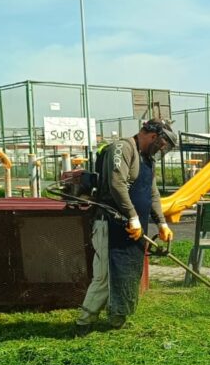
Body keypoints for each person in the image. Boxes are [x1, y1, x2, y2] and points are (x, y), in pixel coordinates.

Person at [76, 119, 178, 333]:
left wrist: (161, 222)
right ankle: (84, 322)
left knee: (126, 272)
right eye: (161, 144)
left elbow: (153, 193)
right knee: (104, 276)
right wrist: (132, 216)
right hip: (110, 223)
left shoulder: (148, 160)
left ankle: (117, 317)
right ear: (152, 136)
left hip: (133, 229)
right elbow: (116, 184)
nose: (161, 149)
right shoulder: (122, 148)